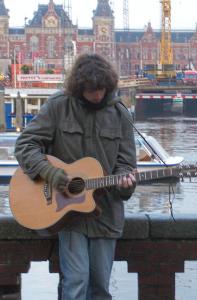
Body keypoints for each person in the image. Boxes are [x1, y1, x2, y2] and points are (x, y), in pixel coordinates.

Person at [14, 53, 137, 300]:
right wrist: (52, 174)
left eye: (102, 89)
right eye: (92, 90)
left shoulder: (120, 114)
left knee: (100, 288)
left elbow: (126, 164)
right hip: (67, 213)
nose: (98, 95)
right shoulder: (59, 106)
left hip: (106, 216)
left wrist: (125, 184)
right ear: (80, 87)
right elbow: (25, 145)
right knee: (76, 284)